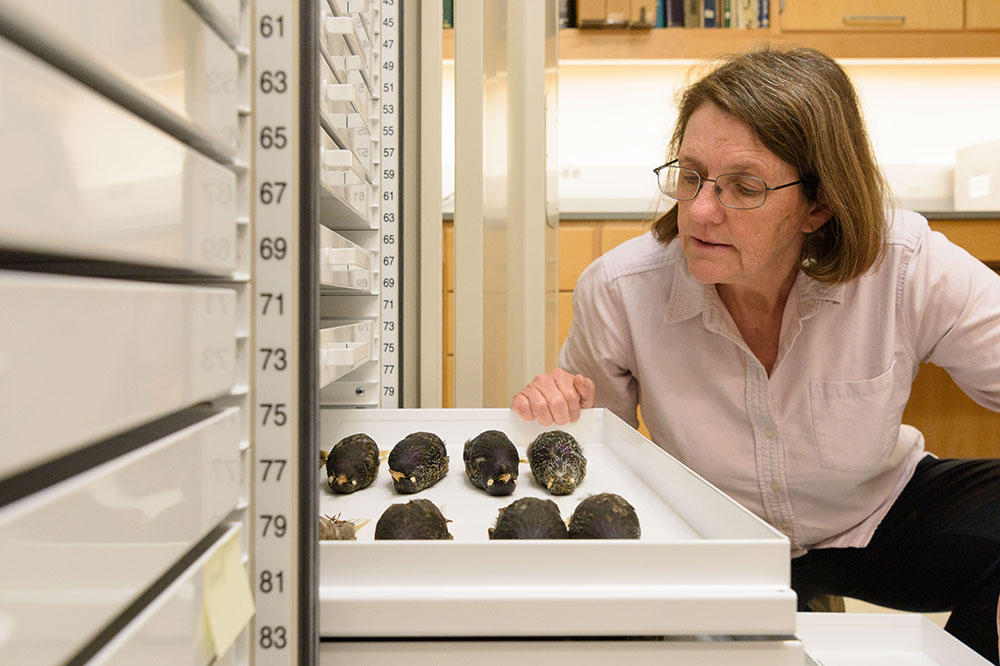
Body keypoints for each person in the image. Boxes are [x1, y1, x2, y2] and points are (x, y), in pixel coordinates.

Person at [511, 45, 1000, 663]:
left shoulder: (904, 263)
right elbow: (593, 460)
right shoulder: (620, 290)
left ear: (818, 205)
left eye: (744, 186)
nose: (700, 211)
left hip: (874, 516)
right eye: (690, 176)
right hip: (713, 540)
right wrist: (556, 417)